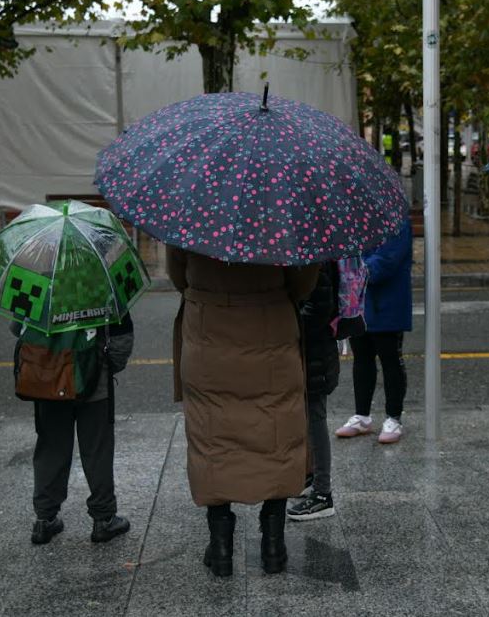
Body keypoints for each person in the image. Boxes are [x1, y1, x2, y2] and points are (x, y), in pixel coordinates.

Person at [166, 247, 318, 577]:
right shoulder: (281, 212)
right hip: (271, 331)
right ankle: (274, 545)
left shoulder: (194, 209)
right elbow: (303, 281)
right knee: (277, 433)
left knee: (212, 437)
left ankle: (221, 546)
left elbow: (179, 276)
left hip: (208, 333)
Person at [13, 317, 134, 545]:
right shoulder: (101, 284)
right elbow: (122, 337)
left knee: (51, 447)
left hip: (49, 380)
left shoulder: (38, 281)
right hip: (93, 380)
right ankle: (103, 519)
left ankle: (44, 519)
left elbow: (18, 328)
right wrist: (105, 366)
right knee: (97, 449)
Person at [335, 220, 413, 444]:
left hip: (386, 302)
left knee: (390, 359)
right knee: (362, 358)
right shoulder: (356, 218)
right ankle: (362, 415)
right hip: (359, 302)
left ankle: (394, 417)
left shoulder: (397, 220)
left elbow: (388, 260)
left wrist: (356, 271)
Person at [288, 263, 340, 521]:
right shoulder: (313, 255)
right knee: (308, 417)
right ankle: (312, 479)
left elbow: (318, 310)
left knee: (316, 418)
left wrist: (287, 325)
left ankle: (322, 494)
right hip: (313, 354)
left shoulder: (318, 260)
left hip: (315, 355)